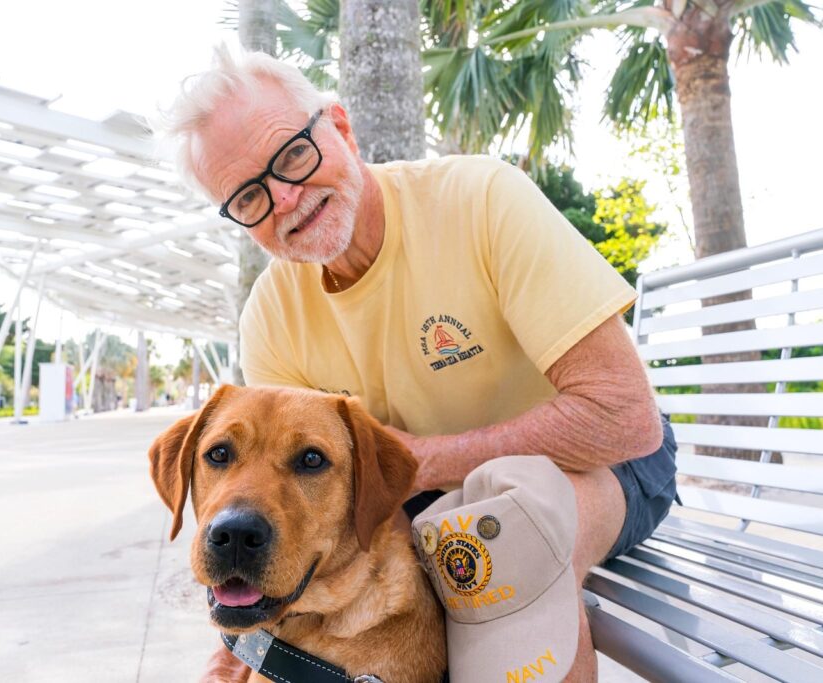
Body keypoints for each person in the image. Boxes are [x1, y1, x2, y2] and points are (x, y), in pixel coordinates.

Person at [162, 46, 678, 682]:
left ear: (340, 128)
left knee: (502, 543)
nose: (287, 198)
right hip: (424, 498)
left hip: (600, 462)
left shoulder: (481, 199)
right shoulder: (272, 313)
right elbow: (295, 509)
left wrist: (426, 461)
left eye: (293, 154)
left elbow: (625, 418)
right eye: (249, 197)